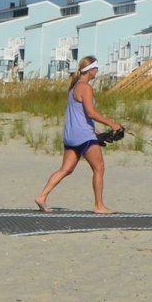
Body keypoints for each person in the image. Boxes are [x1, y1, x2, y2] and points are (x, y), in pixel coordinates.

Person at [34, 56, 123, 214]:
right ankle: (99, 206)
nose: (98, 71)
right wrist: (112, 124)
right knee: (99, 168)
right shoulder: (86, 88)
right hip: (83, 136)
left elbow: (80, 115)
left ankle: (42, 196)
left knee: (65, 169)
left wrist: (96, 132)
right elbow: (91, 112)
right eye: (97, 68)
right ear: (91, 70)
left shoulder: (73, 87)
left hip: (72, 135)